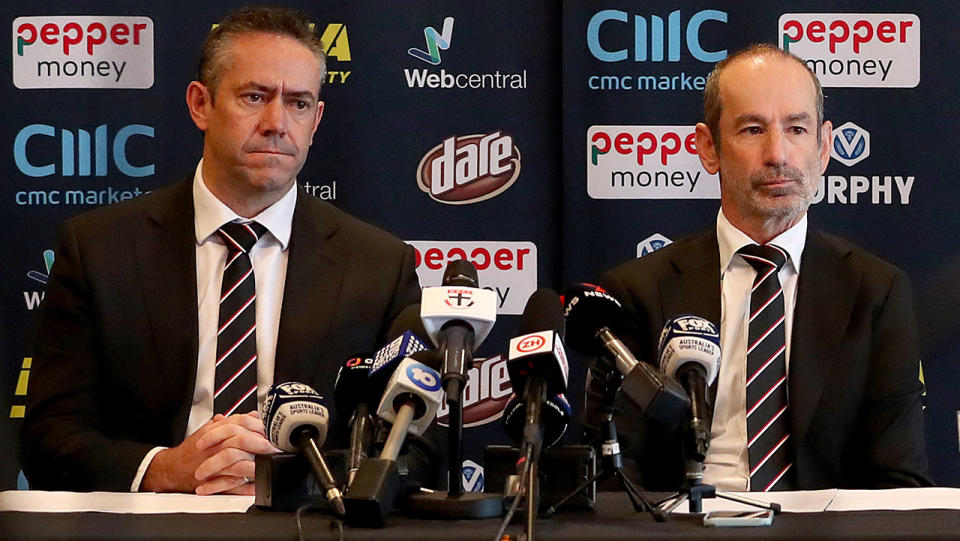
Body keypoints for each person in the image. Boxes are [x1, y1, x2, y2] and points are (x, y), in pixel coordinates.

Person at [21, 7, 424, 495]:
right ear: (200, 104)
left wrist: (290, 478)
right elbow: (48, 435)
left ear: (316, 119)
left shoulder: (378, 265)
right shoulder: (99, 250)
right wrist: (164, 470)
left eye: (298, 103)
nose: (277, 122)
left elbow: (416, 450)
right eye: (254, 97)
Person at [595, 44, 932, 491]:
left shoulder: (876, 292)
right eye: (753, 130)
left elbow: (898, 480)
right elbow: (617, 476)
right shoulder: (638, 291)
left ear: (824, 146)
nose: (778, 154)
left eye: (796, 128)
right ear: (708, 148)